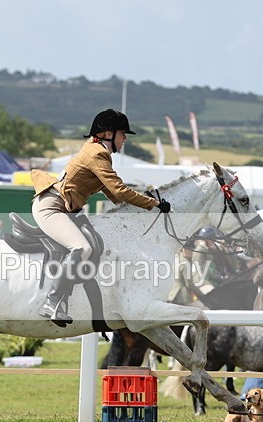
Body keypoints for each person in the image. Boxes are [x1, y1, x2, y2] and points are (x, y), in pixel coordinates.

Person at [30, 108, 164, 324]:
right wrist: (154, 204)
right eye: (122, 134)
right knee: (82, 248)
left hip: (64, 207)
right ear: (108, 134)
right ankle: (52, 301)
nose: (124, 140)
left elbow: (114, 194)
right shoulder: (97, 154)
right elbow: (120, 191)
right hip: (52, 207)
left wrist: (143, 202)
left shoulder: (97, 152)